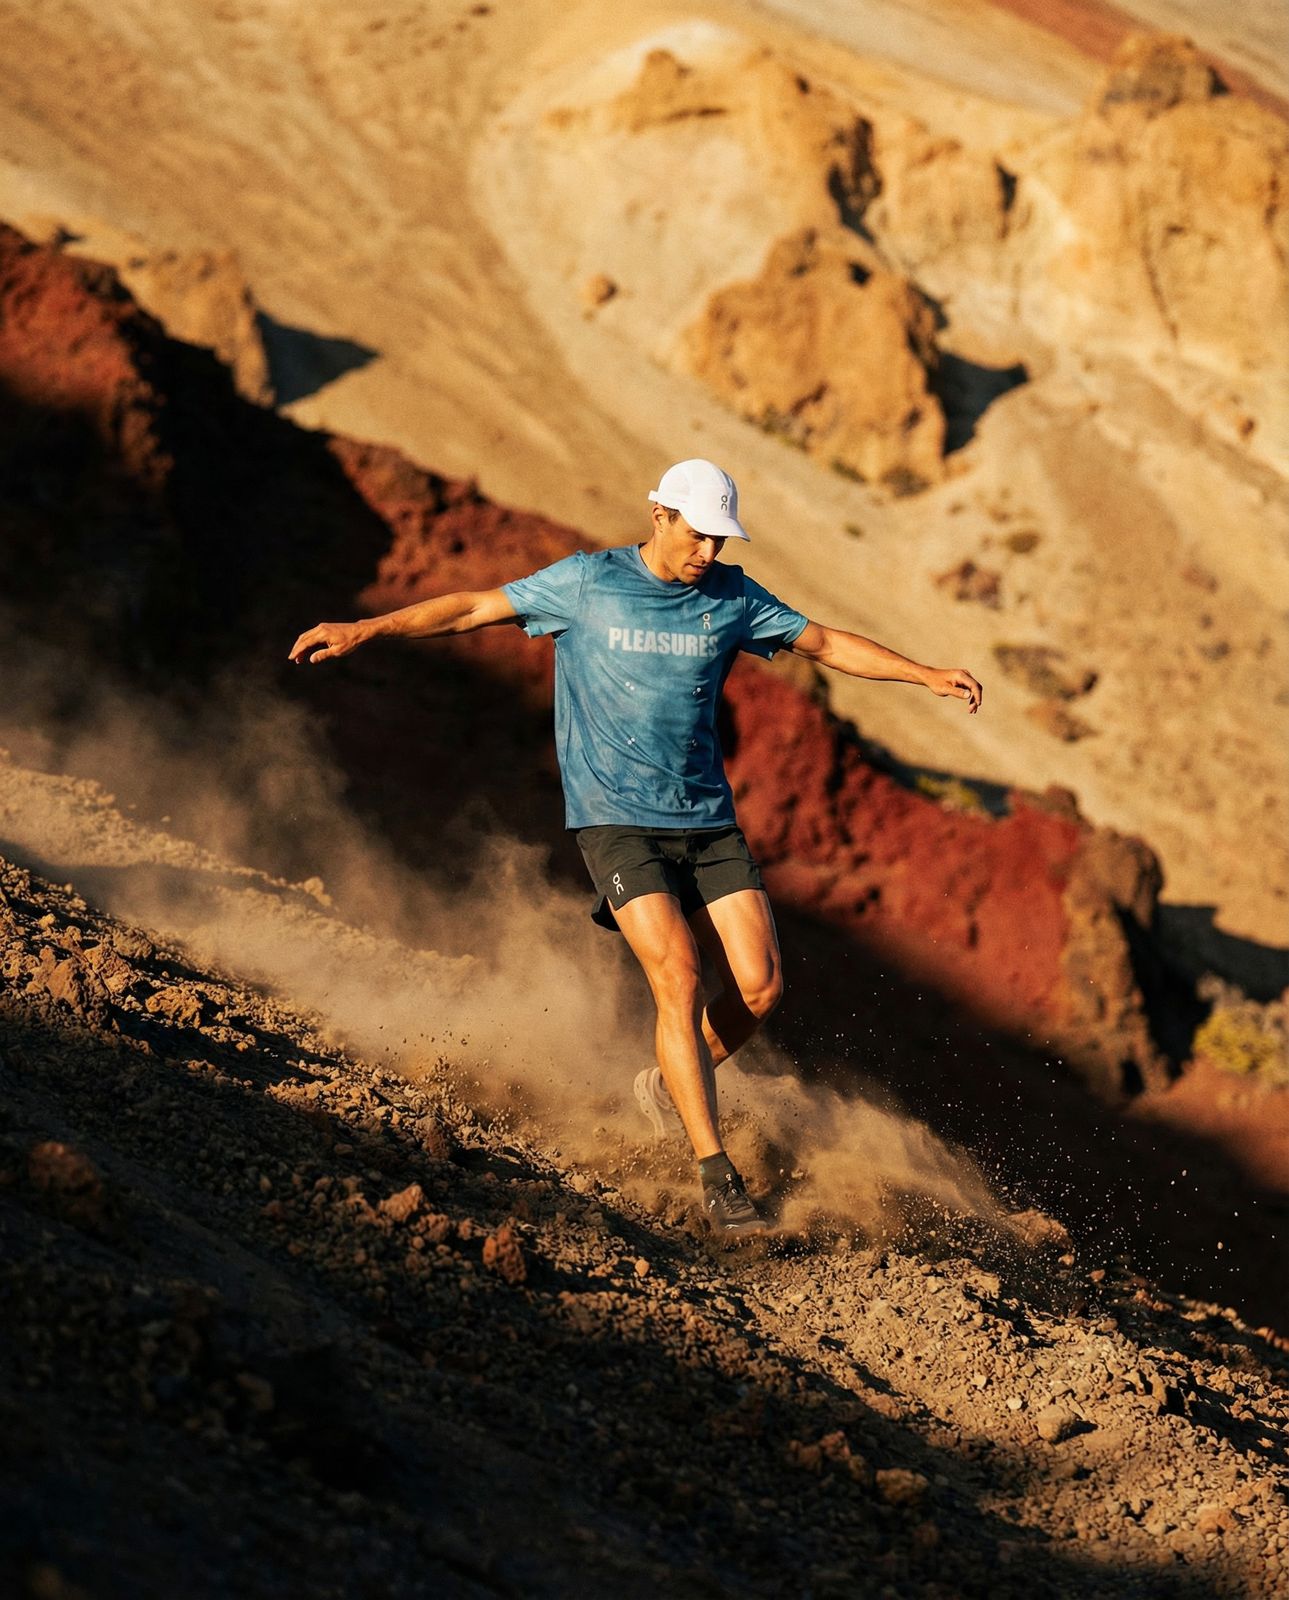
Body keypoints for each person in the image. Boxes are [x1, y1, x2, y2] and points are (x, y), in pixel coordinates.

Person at [289, 459, 982, 1236]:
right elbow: (474, 608)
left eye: (720, 539)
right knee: (679, 977)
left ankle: (664, 1085)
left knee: (759, 988)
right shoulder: (586, 583)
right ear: (659, 515)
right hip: (615, 820)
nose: (708, 553)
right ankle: (716, 1176)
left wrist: (922, 675)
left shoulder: (731, 597)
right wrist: (368, 627)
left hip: (707, 822)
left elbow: (822, 643)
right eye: (696, 534)